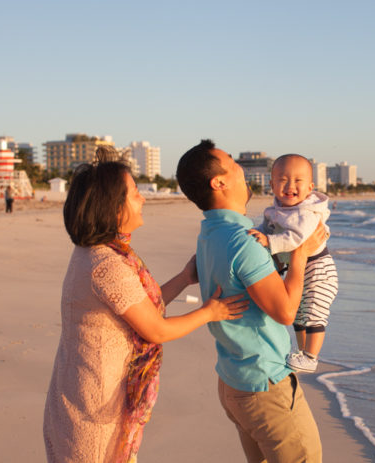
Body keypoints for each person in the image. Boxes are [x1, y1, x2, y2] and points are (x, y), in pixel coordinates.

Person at [43, 147, 249, 463]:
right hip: (94, 412)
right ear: (113, 208)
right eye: (135, 193)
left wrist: (183, 278)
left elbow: (139, 309)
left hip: (79, 398)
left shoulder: (98, 253)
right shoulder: (106, 266)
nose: (142, 200)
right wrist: (210, 311)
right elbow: (156, 329)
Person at [176, 139, 327, 463]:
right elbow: (286, 311)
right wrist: (300, 255)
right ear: (219, 182)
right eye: (232, 163)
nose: (242, 169)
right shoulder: (242, 242)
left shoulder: (210, 234)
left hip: (233, 380)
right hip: (264, 384)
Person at [248, 154, 338, 373]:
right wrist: (258, 234)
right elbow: (267, 228)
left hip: (318, 270)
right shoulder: (277, 208)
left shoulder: (305, 213)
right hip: (300, 268)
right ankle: (300, 352)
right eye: (283, 179)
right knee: (299, 314)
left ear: (310, 187)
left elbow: (296, 239)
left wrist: (269, 241)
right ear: (271, 185)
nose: (290, 185)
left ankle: (311, 356)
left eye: (298, 181)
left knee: (314, 313)